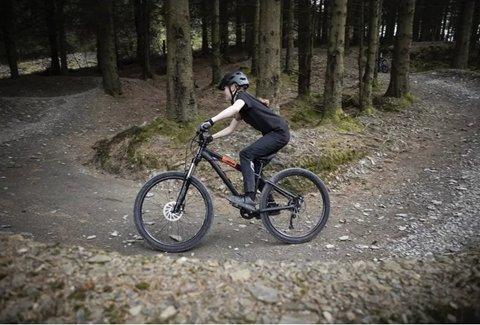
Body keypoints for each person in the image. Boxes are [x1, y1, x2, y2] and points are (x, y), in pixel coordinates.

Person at [197, 71, 290, 211]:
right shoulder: (243, 105)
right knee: (255, 171)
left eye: (224, 89)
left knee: (246, 154)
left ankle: (249, 198)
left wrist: (211, 121)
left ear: (233, 87)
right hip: (275, 134)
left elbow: (233, 108)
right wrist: (211, 137)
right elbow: (230, 129)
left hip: (279, 133)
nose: (224, 93)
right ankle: (270, 202)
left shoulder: (242, 97)